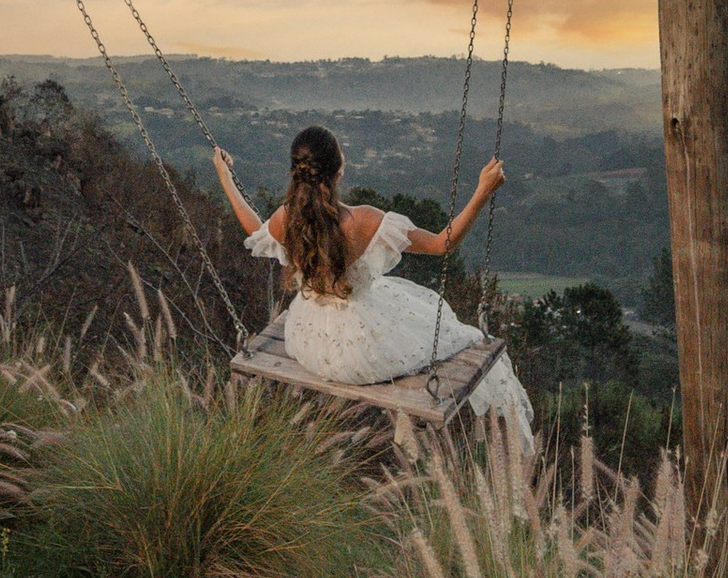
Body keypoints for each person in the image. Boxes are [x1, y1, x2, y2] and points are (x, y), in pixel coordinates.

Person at [211, 125, 534, 447]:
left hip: (309, 343)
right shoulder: (365, 220)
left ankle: (408, 420)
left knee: (412, 312)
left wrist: (224, 176)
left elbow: (253, 225)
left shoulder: (287, 219)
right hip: (364, 353)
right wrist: (482, 191)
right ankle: (410, 421)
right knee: (455, 333)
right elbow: (441, 244)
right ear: (339, 170)